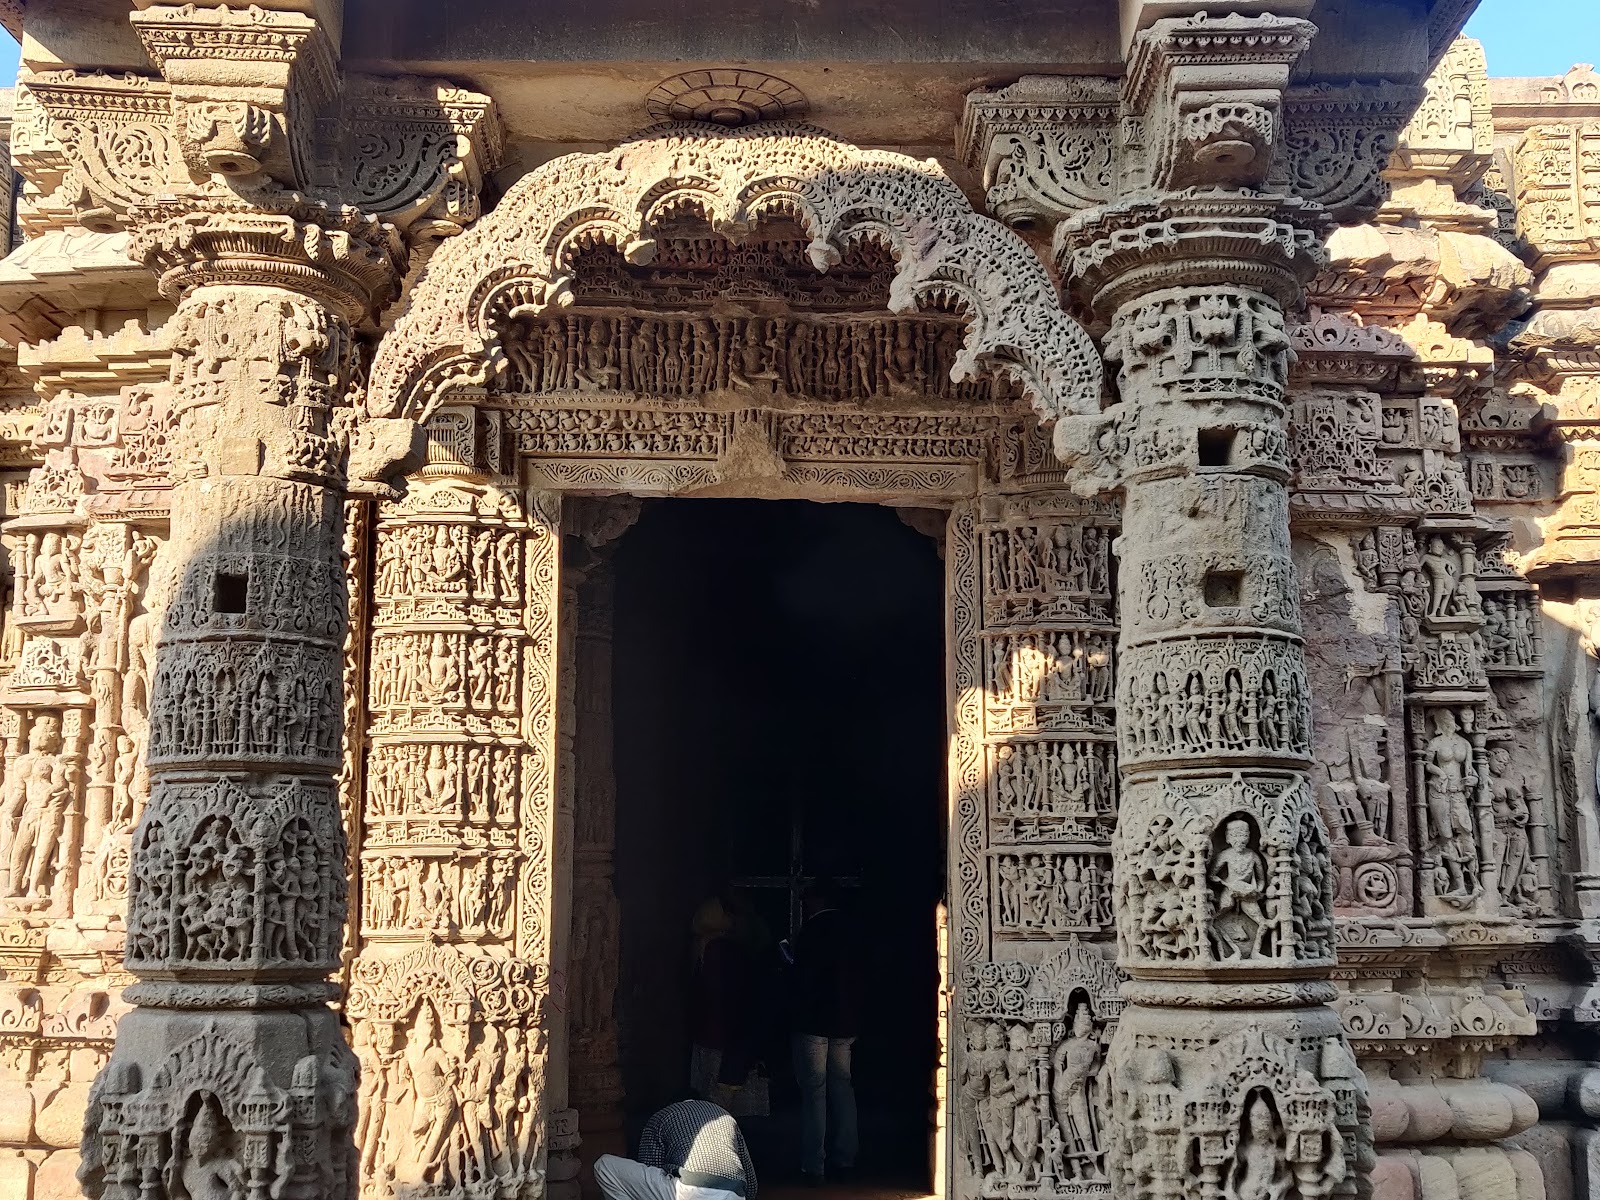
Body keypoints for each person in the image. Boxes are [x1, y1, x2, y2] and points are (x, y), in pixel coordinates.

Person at [787, 882, 861, 1185]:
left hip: (813, 1023)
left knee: (815, 1092)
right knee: (843, 1087)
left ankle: (813, 1165)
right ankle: (846, 1158)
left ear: (815, 902)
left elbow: (803, 980)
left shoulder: (811, 934)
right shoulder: (854, 932)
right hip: (846, 1023)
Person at [593, 1099, 757, 1200]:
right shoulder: (725, 1116)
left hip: (688, 1191)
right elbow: (751, 1183)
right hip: (733, 1195)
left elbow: (650, 1166)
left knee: (604, 1166)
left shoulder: (662, 1116)